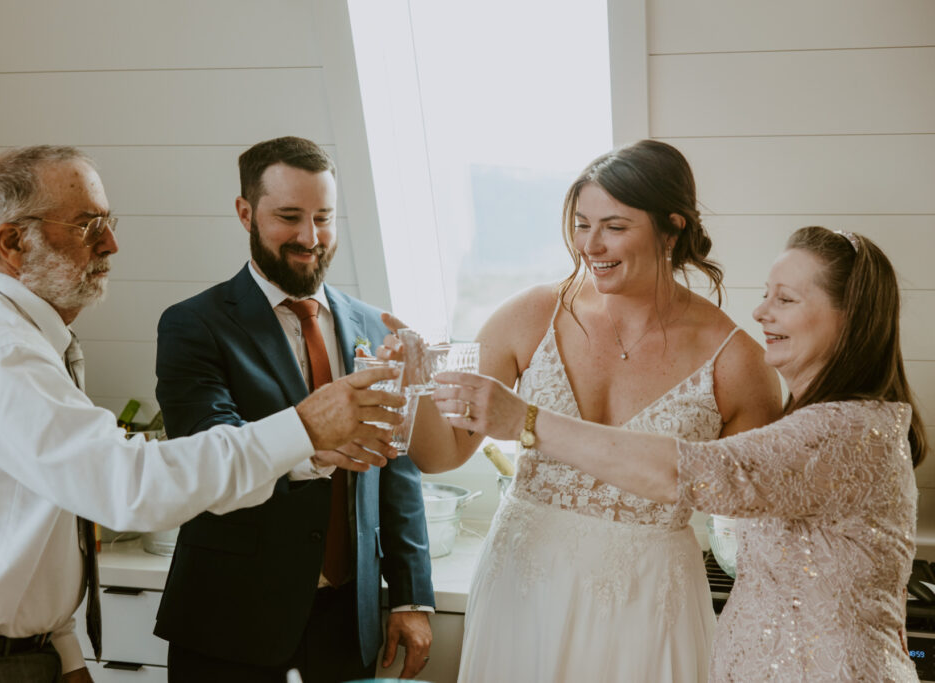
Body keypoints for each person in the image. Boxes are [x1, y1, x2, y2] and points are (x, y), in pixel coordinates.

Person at [0, 145, 405, 683]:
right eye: (88, 225)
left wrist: (66, 653)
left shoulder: (21, 341)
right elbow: (128, 487)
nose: (112, 243)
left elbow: (33, 525)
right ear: (12, 242)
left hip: (24, 654)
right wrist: (305, 426)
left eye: (109, 221)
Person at [436, 226, 926, 681]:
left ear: (851, 317)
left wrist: (527, 421)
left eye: (786, 299)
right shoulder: (833, 423)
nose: (761, 313)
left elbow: (686, 472)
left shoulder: (842, 432)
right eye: (765, 295)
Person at [387, 139, 783, 682]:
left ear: (673, 228)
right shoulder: (531, 314)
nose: (591, 245)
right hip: (522, 588)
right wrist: (412, 384)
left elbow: (754, 533)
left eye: (615, 226)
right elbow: (442, 455)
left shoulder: (737, 362)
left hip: (649, 604)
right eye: (581, 224)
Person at [152, 136, 435, 683]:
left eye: (324, 218)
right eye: (289, 217)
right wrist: (317, 450)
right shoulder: (192, 326)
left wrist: (409, 597)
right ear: (245, 213)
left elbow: (397, 464)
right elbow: (210, 451)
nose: (311, 239)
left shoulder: (375, 325)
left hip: (348, 624)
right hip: (230, 623)